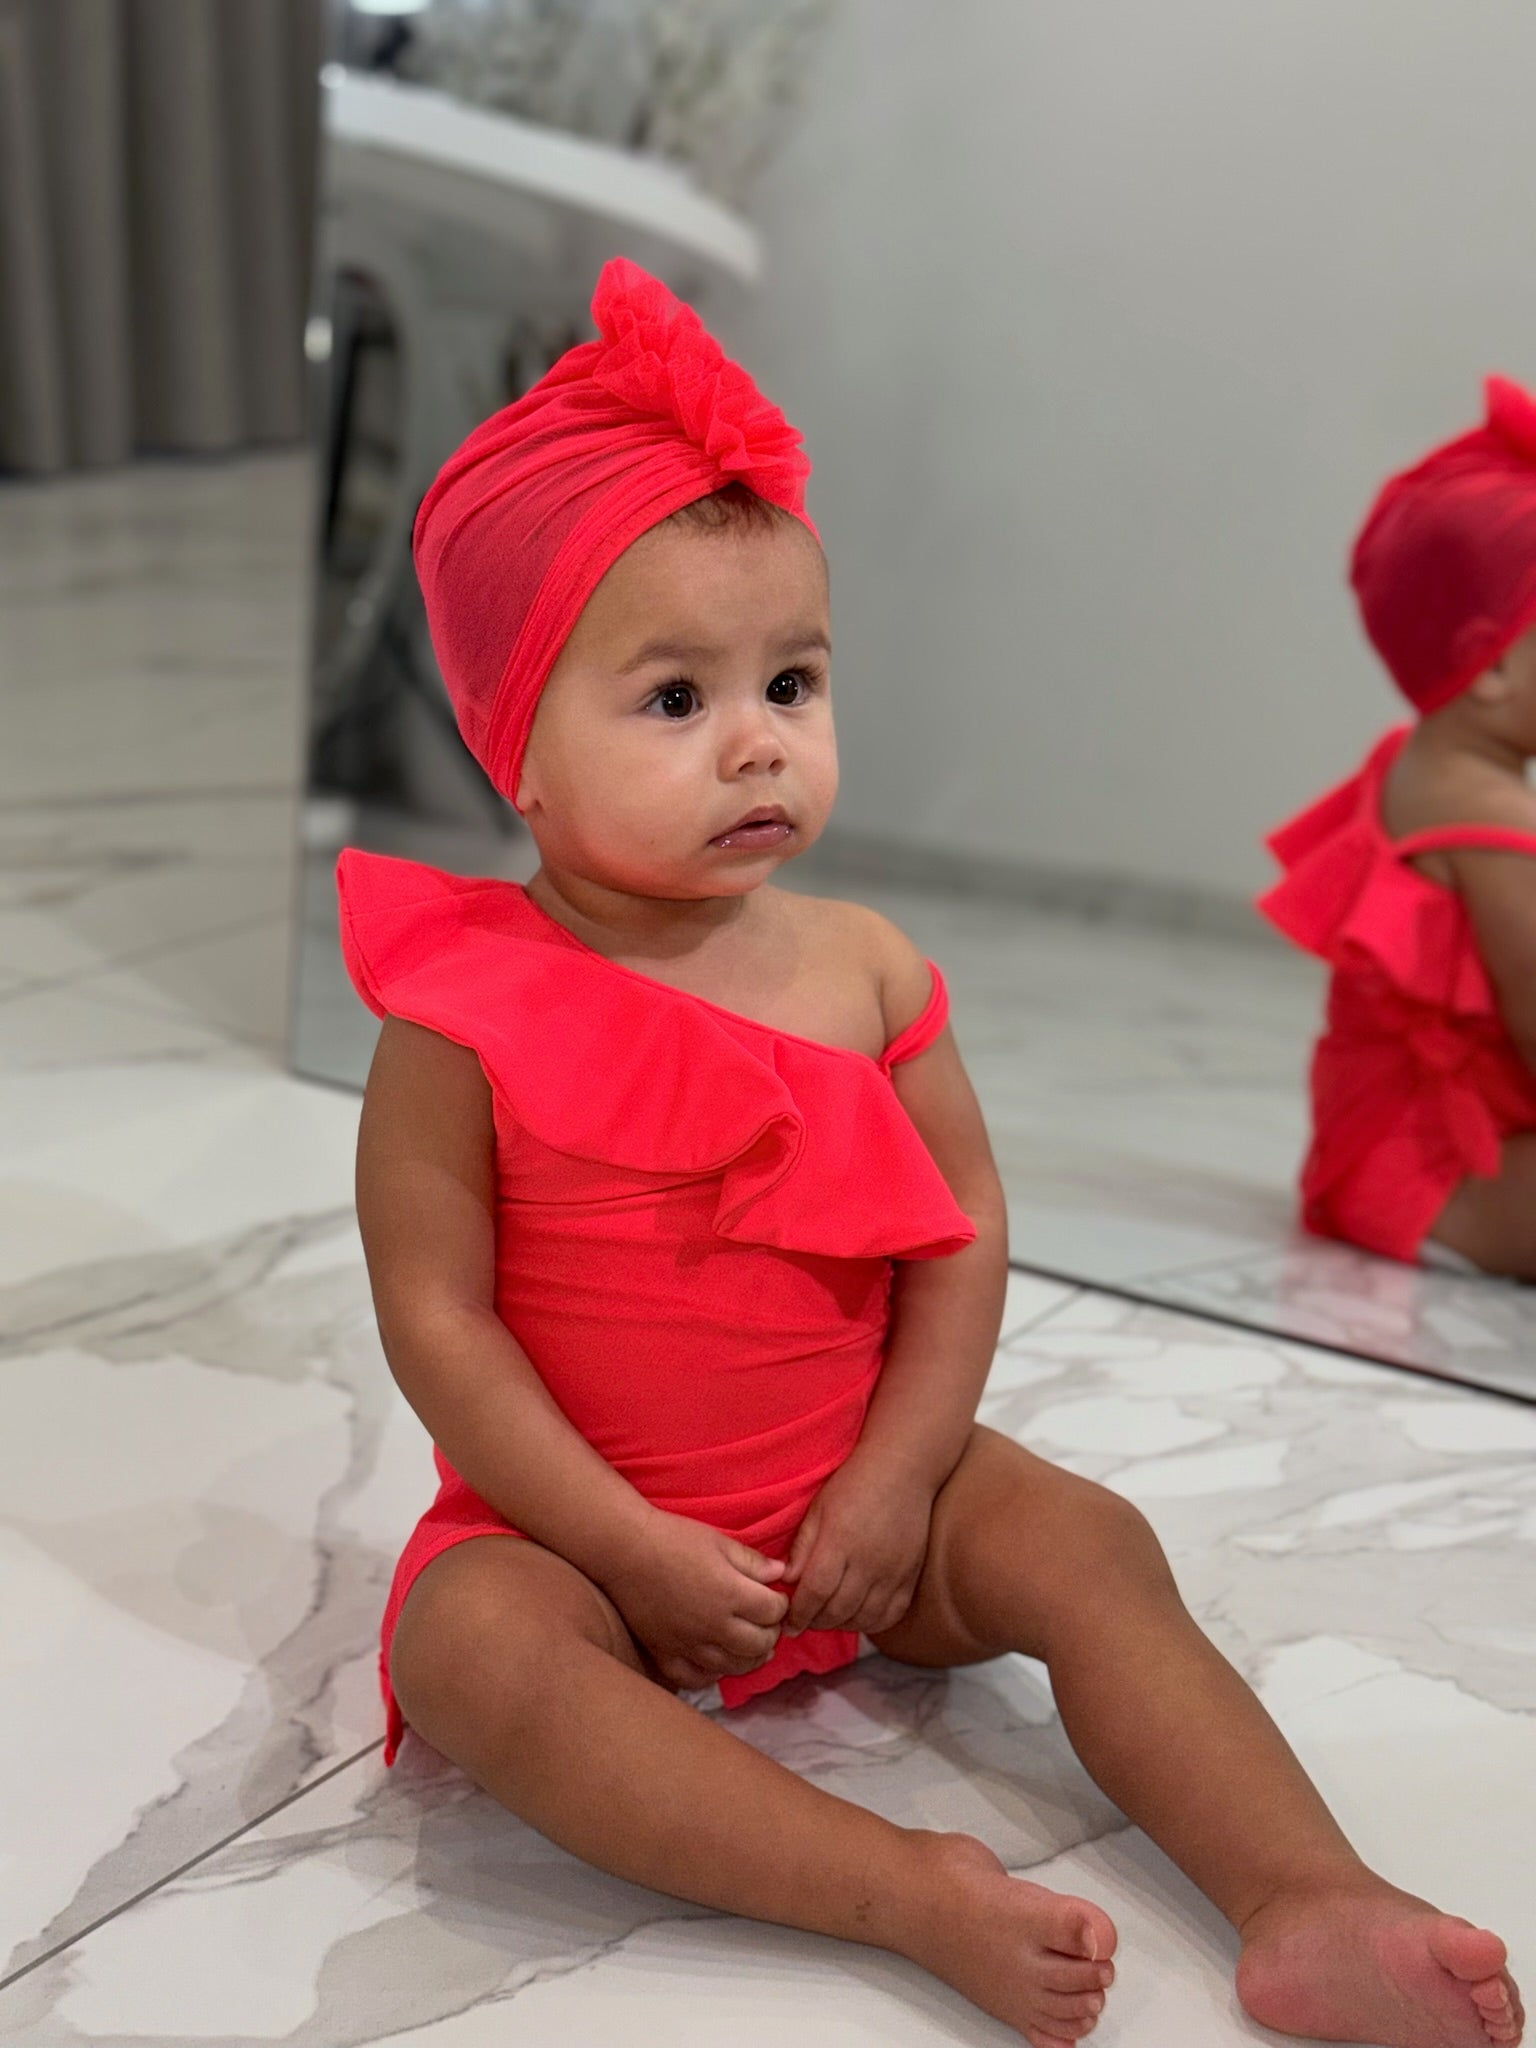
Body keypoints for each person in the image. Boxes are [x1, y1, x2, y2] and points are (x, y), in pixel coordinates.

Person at [340, 262, 1522, 2048]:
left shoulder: (865, 967)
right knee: (479, 1651)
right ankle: (900, 1887)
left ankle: (1303, 1888)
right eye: (673, 700)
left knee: (1088, 1537)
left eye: (792, 681)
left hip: (859, 1501)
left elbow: (960, 1236)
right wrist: (620, 1541)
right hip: (577, 1526)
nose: (757, 739)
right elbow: (439, 1320)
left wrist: (897, 1484)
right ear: (515, 737)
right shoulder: (458, 1005)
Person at [1261, 376, 1536, 1280]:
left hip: (1376, 1145)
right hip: (1438, 1170)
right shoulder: (1492, 818)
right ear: (1489, 667)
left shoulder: (1419, 764)